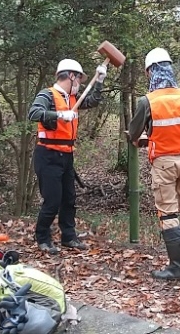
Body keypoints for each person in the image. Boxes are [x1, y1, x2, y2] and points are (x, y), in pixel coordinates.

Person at [128, 48, 180, 280]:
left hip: (164, 163)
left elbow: (134, 133)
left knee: (169, 214)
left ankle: (176, 268)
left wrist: (144, 137)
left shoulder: (148, 101)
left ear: (151, 72)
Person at [28, 58, 107, 254]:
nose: (79, 83)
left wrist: (99, 81)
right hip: (48, 155)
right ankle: (43, 237)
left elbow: (94, 100)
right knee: (52, 200)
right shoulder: (48, 95)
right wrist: (59, 116)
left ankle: (69, 237)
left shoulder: (74, 98)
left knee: (69, 199)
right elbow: (34, 113)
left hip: (66, 156)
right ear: (71, 76)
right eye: (78, 79)